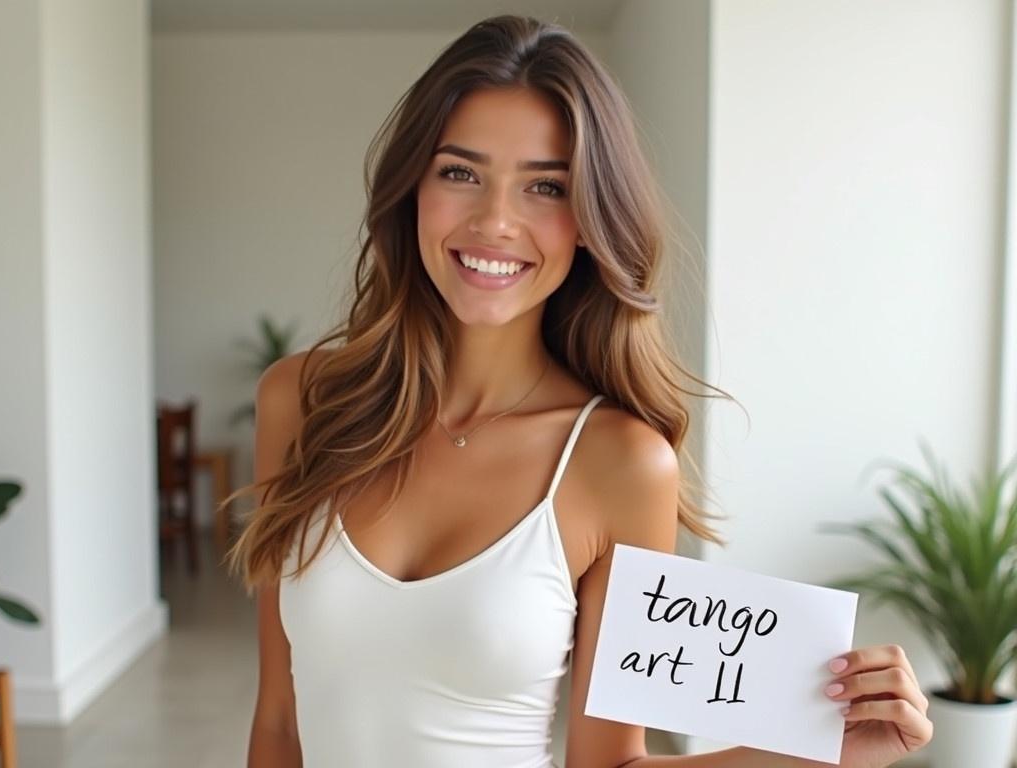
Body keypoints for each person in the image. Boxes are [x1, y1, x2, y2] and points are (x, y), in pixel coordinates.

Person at [224, 14, 933, 768]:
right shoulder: (301, 402)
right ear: (413, 190)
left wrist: (825, 753)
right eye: (460, 172)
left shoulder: (620, 463)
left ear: (592, 221)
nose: (495, 221)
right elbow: (278, 723)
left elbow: (610, 763)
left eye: (546, 187)